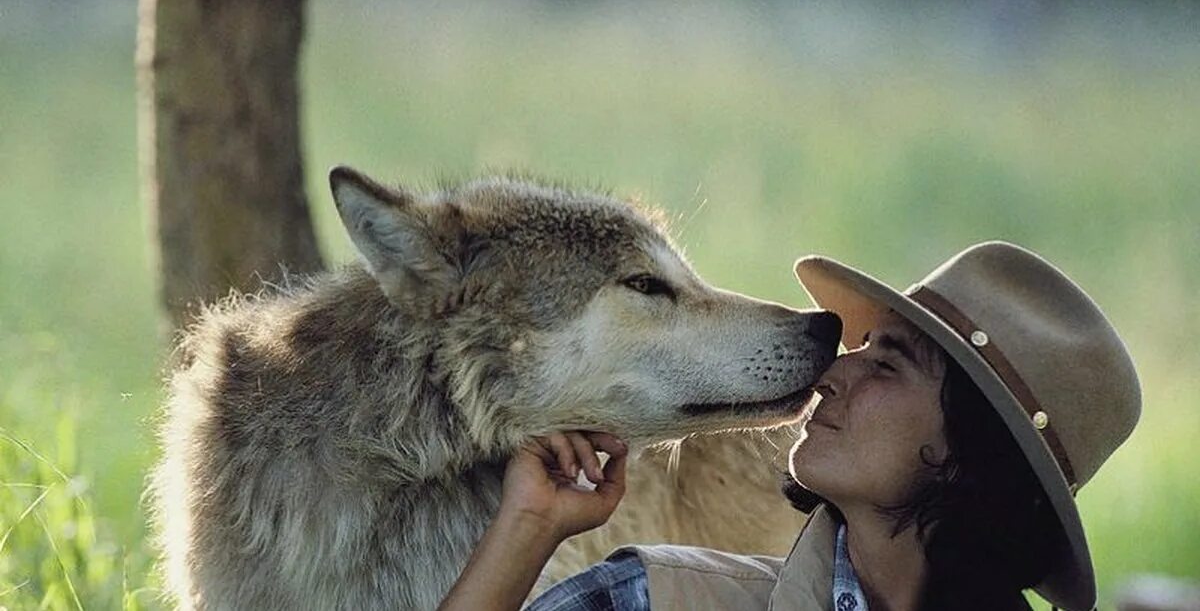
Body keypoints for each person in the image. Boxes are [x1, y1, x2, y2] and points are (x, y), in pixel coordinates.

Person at [438, 241, 1141, 611]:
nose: (831, 375)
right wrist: (527, 524)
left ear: (968, 456)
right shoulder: (655, 598)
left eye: (887, 365)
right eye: (859, 350)